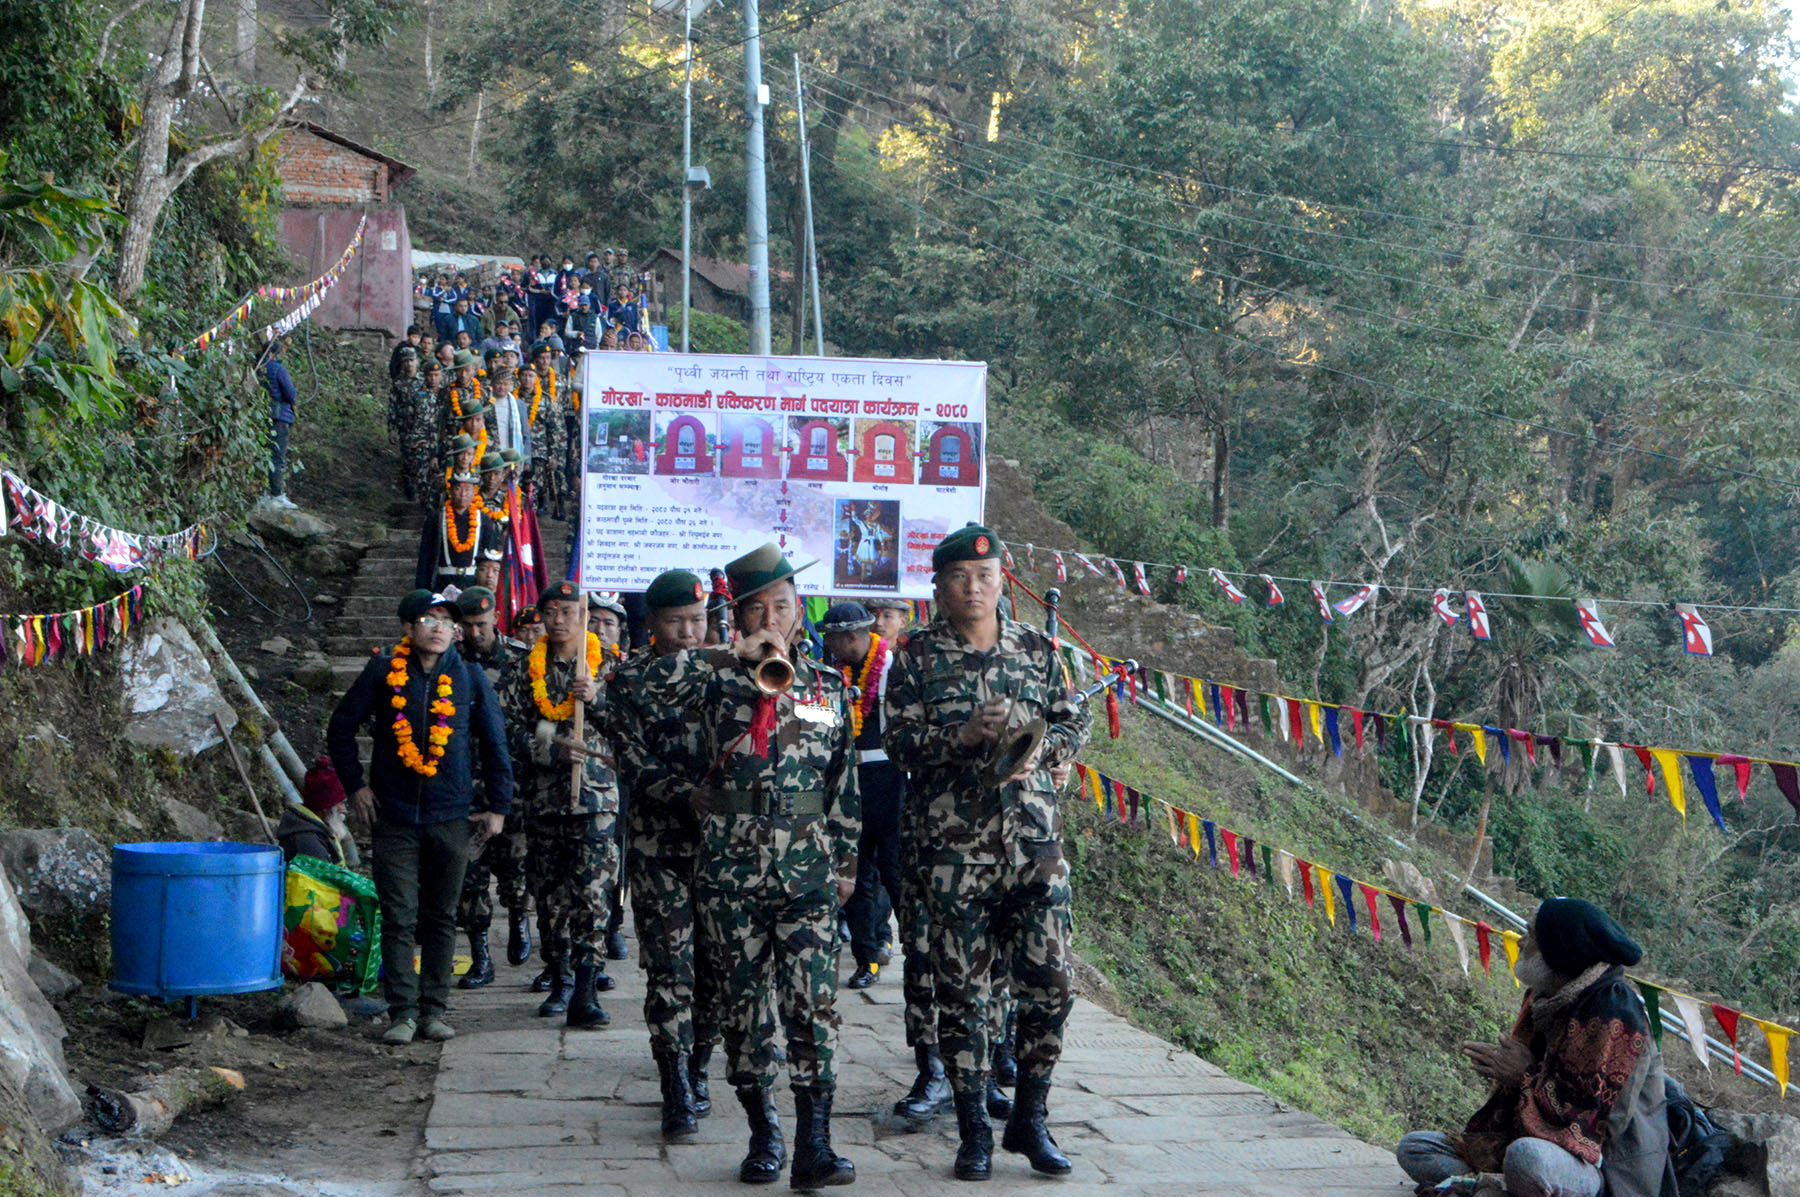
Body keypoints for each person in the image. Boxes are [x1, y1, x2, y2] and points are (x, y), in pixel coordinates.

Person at [641, 544, 860, 1187]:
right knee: (742, 1008)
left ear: (800, 613)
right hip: (729, 875)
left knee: (814, 1006)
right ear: (737, 616)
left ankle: (814, 1143)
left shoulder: (824, 686)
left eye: (784, 607)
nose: (773, 619)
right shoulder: (707, 678)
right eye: (759, 608)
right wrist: (721, 652)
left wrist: (844, 864)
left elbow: (843, 785)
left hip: (808, 875)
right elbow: (635, 686)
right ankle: (764, 1134)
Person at [883, 525, 1092, 1181]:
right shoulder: (916, 655)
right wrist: (960, 734)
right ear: (939, 586)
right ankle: (974, 1130)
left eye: (987, 575)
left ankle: (1030, 1117)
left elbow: (1071, 719)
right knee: (965, 999)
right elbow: (898, 743)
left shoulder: (1035, 647)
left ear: (1003, 579)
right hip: (953, 853)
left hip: (1032, 844)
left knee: (1053, 984)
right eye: (960, 578)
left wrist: (1044, 748)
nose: (975, 587)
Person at [327, 589, 513, 1046]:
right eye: (427, 620)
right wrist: (356, 786)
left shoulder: (468, 678)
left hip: (451, 815)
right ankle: (402, 1012)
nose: (438, 628)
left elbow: (494, 745)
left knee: (442, 916)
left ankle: (434, 1010)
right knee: (399, 916)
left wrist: (498, 807)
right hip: (394, 816)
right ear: (408, 629)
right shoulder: (382, 672)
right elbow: (341, 729)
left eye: (445, 621)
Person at [1396, 898, 1675, 1197]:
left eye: (1531, 935)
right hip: (1528, 1147)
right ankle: (1495, 1186)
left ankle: (1497, 1186)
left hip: (1601, 1169)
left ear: (1558, 950)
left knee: (1526, 1159)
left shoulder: (1614, 1012)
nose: (1522, 940)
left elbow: (1606, 1125)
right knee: (1415, 1148)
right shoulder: (1546, 996)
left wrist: (1525, 1076)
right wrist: (1508, 1070)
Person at [607, 570, 719, 1140]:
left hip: (724, 852)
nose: (688, 633)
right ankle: (674, 1084)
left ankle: (700, 1068)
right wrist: (687, 795)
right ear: (653, 624)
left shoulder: (729, 673)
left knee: (717, 972)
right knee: (671, 970)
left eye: (697, 621)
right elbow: (631, 761)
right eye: (676, 622)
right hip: (660, 850)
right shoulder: (629, 683)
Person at [817, 603, 903, 995]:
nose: (827, 645)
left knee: (896, 874)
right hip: (848, 785)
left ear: (851, 636)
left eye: (831, 638)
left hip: (889, 782)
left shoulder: (891, 669)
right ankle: (866, 957)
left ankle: (919, 957)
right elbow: (820, 722)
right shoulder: (830, 673)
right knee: (855, 877)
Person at [450, 586, 532, 990]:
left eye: (481, 625)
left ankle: (519, 919)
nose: (474, 633)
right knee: (470, 877)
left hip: (510, 783)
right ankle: (480, 954)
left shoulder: (520, 660)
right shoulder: (450, 663)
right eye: (466, 626)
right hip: (464, 786)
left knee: (517, 870)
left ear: (496, 619)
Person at [587, 592, 631, 966]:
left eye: (609, 623)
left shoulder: (628, 672)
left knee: (618, 860)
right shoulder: (571, 666)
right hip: (582, 782)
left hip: (620, 779)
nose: (600, 631)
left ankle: (613, 925)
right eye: (594, 621)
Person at [417, 472, 490, 592]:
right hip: (443, 581)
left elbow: (487, 554)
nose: (463, 494)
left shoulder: (484, 520)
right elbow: (425, 554)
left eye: (467, 489)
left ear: (474, 493)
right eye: (458, 489)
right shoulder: (436, 518)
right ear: (450, 491)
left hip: (472, 582)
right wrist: (422, 587)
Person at [278, 757, 350, 866]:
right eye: (340, 804)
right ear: (325, 808)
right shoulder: (308, 842)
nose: (344, 810)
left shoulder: (317, 832)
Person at [262, 338, 298, 507]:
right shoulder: (277, 369)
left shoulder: (257, 369)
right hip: (280, 417)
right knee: (278, 456)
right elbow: (291, 394)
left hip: (262, 416)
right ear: (272, 354)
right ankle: (276, 494)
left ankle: (264, 492)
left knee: (265, 455)